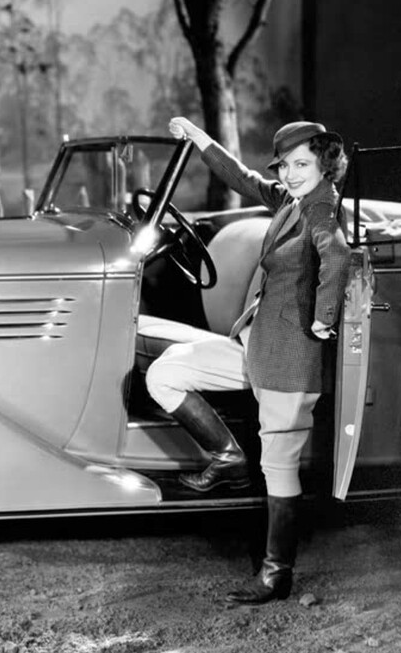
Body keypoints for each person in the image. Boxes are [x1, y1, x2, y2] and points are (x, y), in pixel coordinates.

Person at [146, 117, 350, 604]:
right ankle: (227, 455)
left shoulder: (321, 209)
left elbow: (338, 256)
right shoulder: (291, 201)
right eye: (285, 165)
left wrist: (324, 319)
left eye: (302, 164)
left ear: (324, 165)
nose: (290, 174)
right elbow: (244, 178)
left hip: (288, 359)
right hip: (253, 346)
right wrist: (199, 138)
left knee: (279, 466)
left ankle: (276, 575)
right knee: (166, 372)